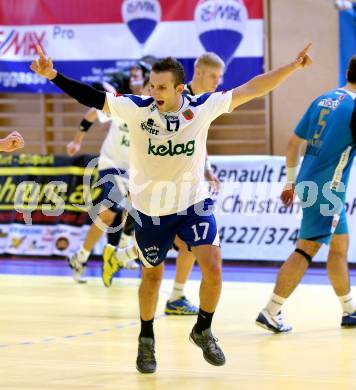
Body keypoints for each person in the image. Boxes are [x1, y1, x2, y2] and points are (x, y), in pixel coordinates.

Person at [31, 43, 312, 373]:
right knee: (151, 278)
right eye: (152, 85)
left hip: (193, 203)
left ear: (180, 88)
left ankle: (203, 329)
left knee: (213, 265)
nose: (154, 92)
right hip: (151, 210)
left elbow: (253, 87)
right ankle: (146, 338)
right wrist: (53, 75)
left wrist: (292, 66)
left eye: (161, 87)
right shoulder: (137, 108)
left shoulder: (204, 105)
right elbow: (91, 98)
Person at [256, 55, 356, 333]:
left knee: (338, 247)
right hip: (329, 191)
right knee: (306, 249)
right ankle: (271, 310)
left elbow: (292, 143)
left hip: (309, 183)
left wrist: (290, 183)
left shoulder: (324, 99)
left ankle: (349, 310)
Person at [66, 72, 148, 283]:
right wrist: (77, 140)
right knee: (111, 211)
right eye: (150, 88)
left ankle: (81, 255)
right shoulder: (125, 105)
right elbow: (92, 115)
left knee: (120, 212)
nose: (152, 93)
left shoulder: (157, 116)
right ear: (143, 89)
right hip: (111, 164)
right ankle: (121, 250)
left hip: (134, 170)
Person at [165, 52, 224, 316]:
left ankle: (176, 297)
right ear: (198, 72)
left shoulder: (205, 103)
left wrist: (208, 171)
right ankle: (122, 255)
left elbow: (198, 143)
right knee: (175, 244)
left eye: (220, 77)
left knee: (188, 245)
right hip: (165, 185)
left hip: (190, 188)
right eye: (214, 76)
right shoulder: (176, 100)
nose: (218, 82)